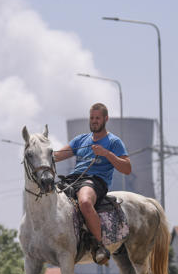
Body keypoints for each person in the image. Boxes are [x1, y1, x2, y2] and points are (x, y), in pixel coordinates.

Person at [53, 102, 131, 264]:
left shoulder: (114, 142)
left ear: (105, 119)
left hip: (95, 181)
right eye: (92, 118)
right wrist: (39, 151)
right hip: (73, 180)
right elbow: (57, 156)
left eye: (97, 118)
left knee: (85, 202)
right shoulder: (81, 140)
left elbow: (127, 168)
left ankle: (99, 246)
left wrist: (106, 154)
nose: (94, 121)